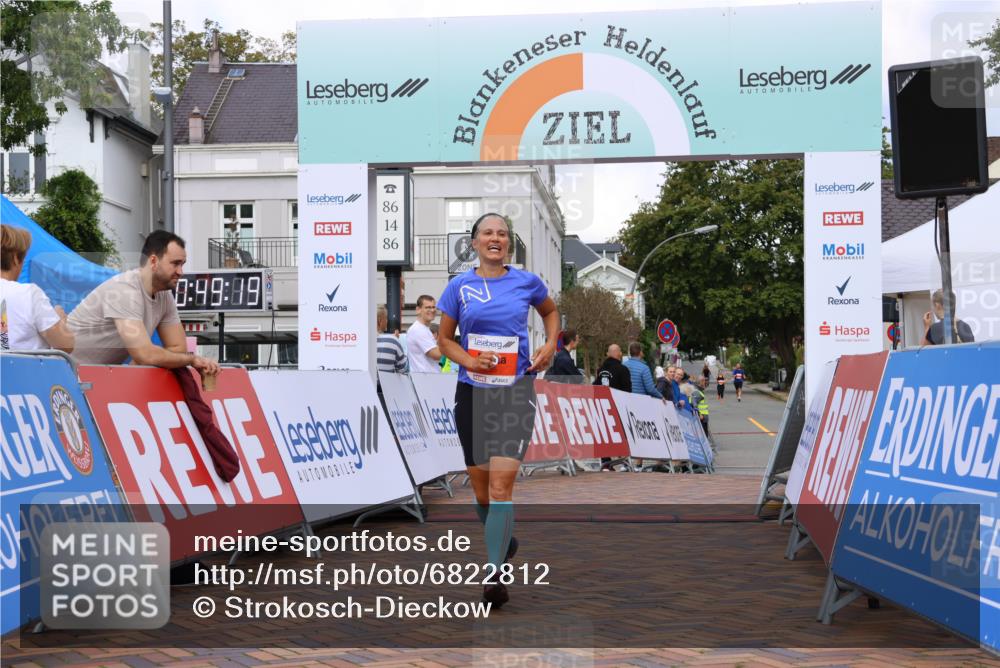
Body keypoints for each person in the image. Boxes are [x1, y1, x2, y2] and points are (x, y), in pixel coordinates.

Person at [436, 212, 560, 609]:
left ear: (509, 243)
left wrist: (549, 345)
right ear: (474, 242)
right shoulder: (459, 286)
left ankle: (494, 573)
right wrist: (470, 361)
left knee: (502, 486)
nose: (495, 239)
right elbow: (444, 340)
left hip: (514, 391)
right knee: (481, 489)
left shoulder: (526, 281)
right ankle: (504, 540)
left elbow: (550, 313)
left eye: (502, 234)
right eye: (488, 233)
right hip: (472, 391)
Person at [67, 230, 219, 380]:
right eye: (175, 264)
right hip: (62, 374)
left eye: (182, 264)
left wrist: (142, 361)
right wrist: (191, 360)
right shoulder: (124, 289)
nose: (181, 271)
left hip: (87, 379)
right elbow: (145, 354)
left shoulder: (164, 295)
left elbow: (178, 349)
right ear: (153, 261)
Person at [0, 224, 74, 352]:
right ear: (16, 258)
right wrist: (60, 320)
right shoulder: (28, 294)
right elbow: (66, 345)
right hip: (23, 370)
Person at [594, 343, 632, 471]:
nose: (621, 354)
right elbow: (627, 391)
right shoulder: (623, 369)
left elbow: (595, 386)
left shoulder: (600, 370)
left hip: (602, 406)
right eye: (620, 351)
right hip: (617, 407)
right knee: (621, 434)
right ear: (617, 353)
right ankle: (624, 462)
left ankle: (605, 462)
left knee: (604, 433)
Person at [406, 295, 442, 373]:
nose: (432, 310)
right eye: (428, 307)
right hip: (425, 381)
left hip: (427, 379)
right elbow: (437, 355)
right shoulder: (418, 330)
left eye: (433, 307)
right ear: (418, 310)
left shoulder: (424, 329)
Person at [376, 305, 408, 374]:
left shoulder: (361, 340)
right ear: (380, 321)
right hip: (386, 384)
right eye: (386, 318)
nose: (387, 321)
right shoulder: (393, 341)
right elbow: (402, 368)